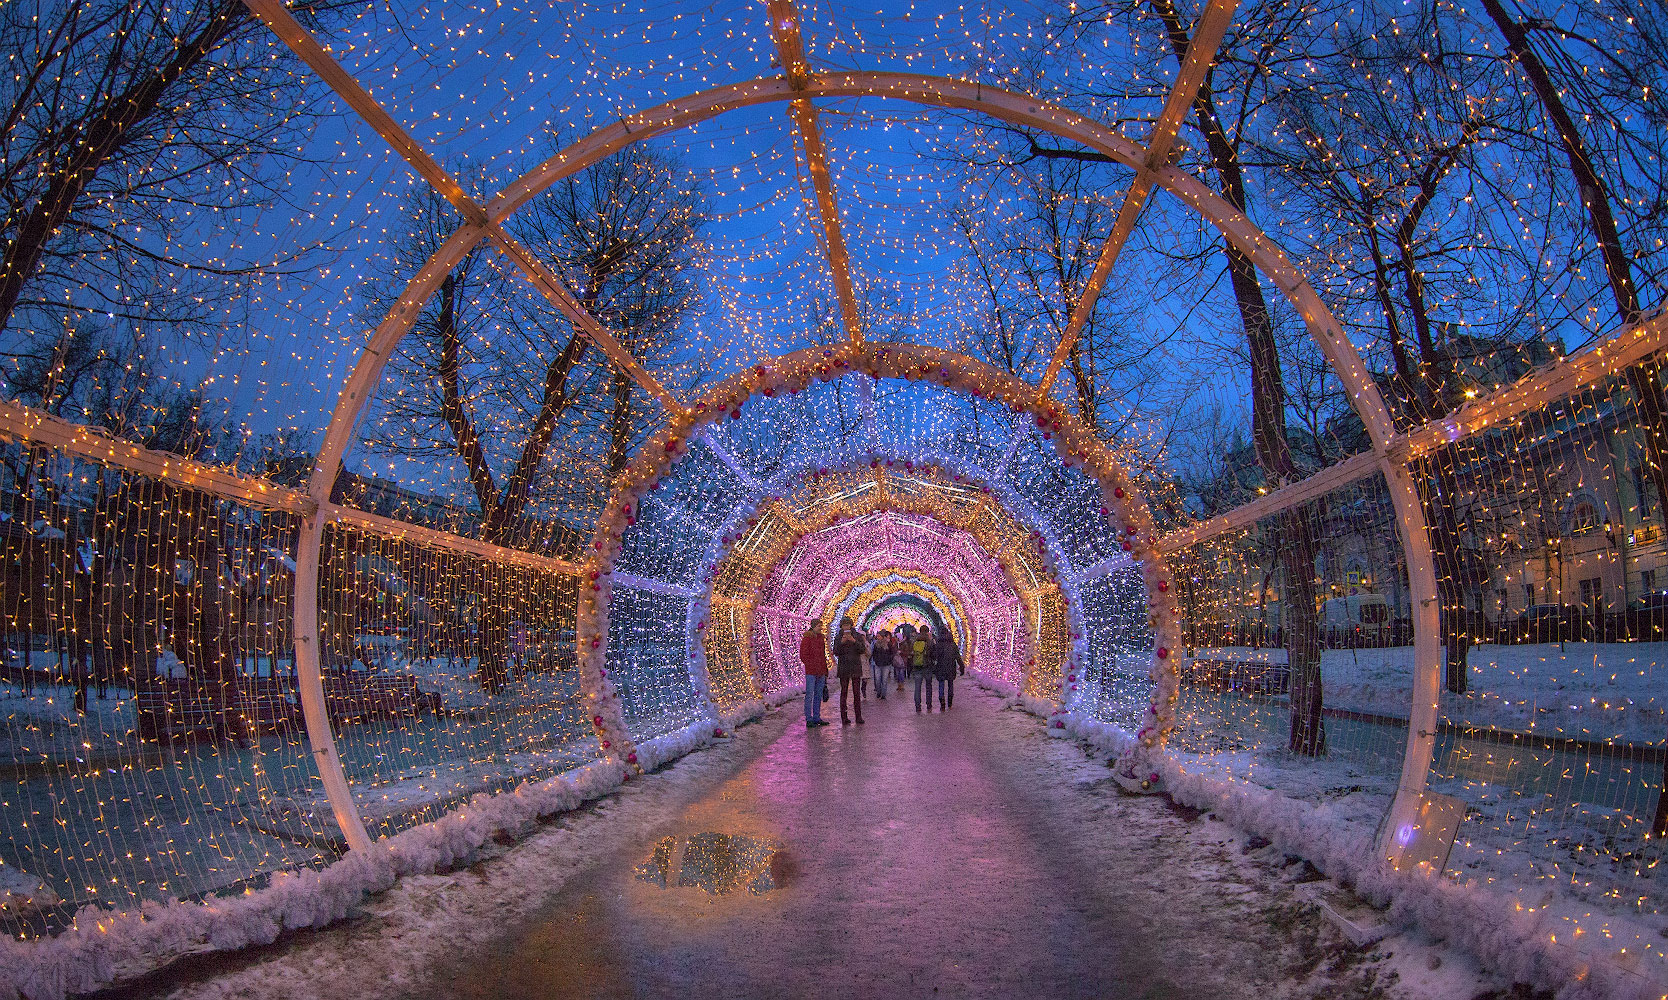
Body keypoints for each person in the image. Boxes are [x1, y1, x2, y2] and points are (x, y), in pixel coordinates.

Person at [833, 617, 866, 725]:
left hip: (855, 667)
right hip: (844, 668)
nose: (846, 627)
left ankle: (858, 716)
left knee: (857, 693)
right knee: (844, 693)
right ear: (841, 626)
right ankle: (844, 717)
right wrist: (841, 642)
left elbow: (862, 650)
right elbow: (836, 652)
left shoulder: (857, 636)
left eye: (847, 625)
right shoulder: (838, 637)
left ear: (851, 625)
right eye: (844, 625)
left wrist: (854, 641)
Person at [800, 619, 830, 728]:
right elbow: (803, 655)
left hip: (821, 671)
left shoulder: (821, 638)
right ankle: (809, 718)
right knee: (809, 695)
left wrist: (825, 669)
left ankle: (816, 717)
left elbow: (822, 655)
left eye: (820, 626)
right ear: (813, 627)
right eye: (818, 626)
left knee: (818, 695)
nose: (820, 628)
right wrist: (812, 665)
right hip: (812, 672)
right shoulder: (807, 639)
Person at [933, 625, 965, 711]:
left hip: (940, 668)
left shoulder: (938, 644)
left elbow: (934, 656)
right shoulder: (953, 644)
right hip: (951, 667)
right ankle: (950, 703)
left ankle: (942, 702)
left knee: (941, 684)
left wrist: (933, 667)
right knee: (950, 685)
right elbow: (958, 657)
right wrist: (962, 667)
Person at [910, 627, 935, 713]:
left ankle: (918, 706)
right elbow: (933, 654)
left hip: (917, 666)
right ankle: (929, 705)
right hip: (927, 666)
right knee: (928, 686)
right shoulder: (929, 642)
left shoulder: (915, 641)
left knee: (917, 687)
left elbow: (912, 653)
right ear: (927, 632)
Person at [869, 629, 892, 701]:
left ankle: (883, 694)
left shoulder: (888, 644)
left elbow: (892, 653)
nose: (877, 637)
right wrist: (875, 660)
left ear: (882, 636)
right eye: (877, 636)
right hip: (878, 664)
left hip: (886, 664)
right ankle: (879, 692)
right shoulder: (876, 644)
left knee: (884, 680)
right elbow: (874, 653)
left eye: (879, 636)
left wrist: (889, 660)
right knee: (878, 679)